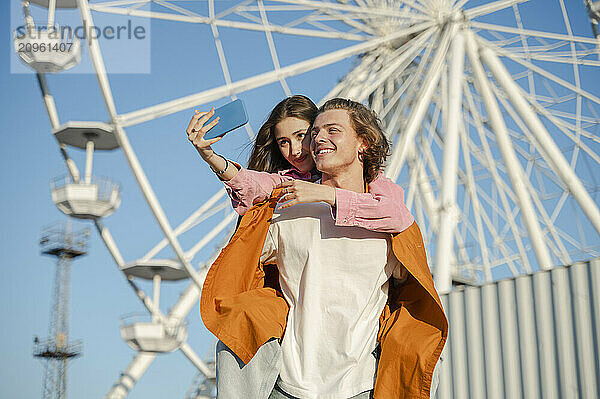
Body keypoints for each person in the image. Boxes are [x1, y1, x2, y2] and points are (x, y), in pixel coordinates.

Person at [200, 98, 448, 398]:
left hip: (360, 385)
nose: (317, 139)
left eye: (332, 130)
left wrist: (327, 194)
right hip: (288, 385)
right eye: (314, 132)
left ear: (364, 143)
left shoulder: (387, 215)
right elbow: (253, 189)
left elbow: (403, 235)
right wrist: (210, 156)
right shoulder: (286, 206)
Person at [186, 95, 414, 234]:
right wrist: (209, 155)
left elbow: (398, 216)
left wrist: (327, 194)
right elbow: (254, 183)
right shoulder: (290, 181)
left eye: (302, 136)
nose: (295, 151)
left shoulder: (372, 183)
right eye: (283, 142)